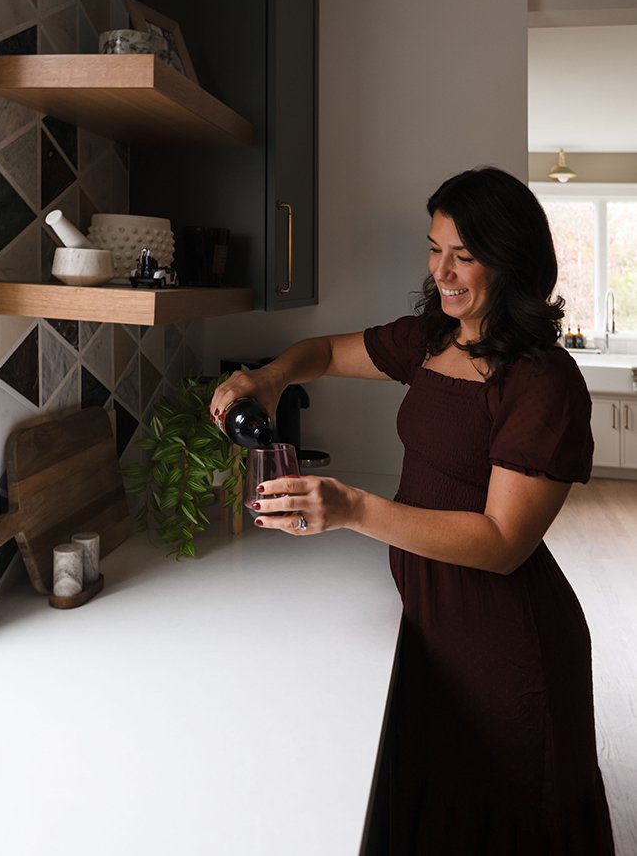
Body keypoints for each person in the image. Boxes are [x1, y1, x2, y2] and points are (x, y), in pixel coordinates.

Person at [210, 166, 615, 855]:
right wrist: (269, 376)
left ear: (511, 260)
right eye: (433, 247)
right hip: (435, 623)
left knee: (514, 821)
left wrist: (350, 508)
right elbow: (327, 351)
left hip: (506, 646)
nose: (442, 271)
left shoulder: (543, 381)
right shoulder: (433, 339)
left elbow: (501, 540)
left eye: (464, 254)